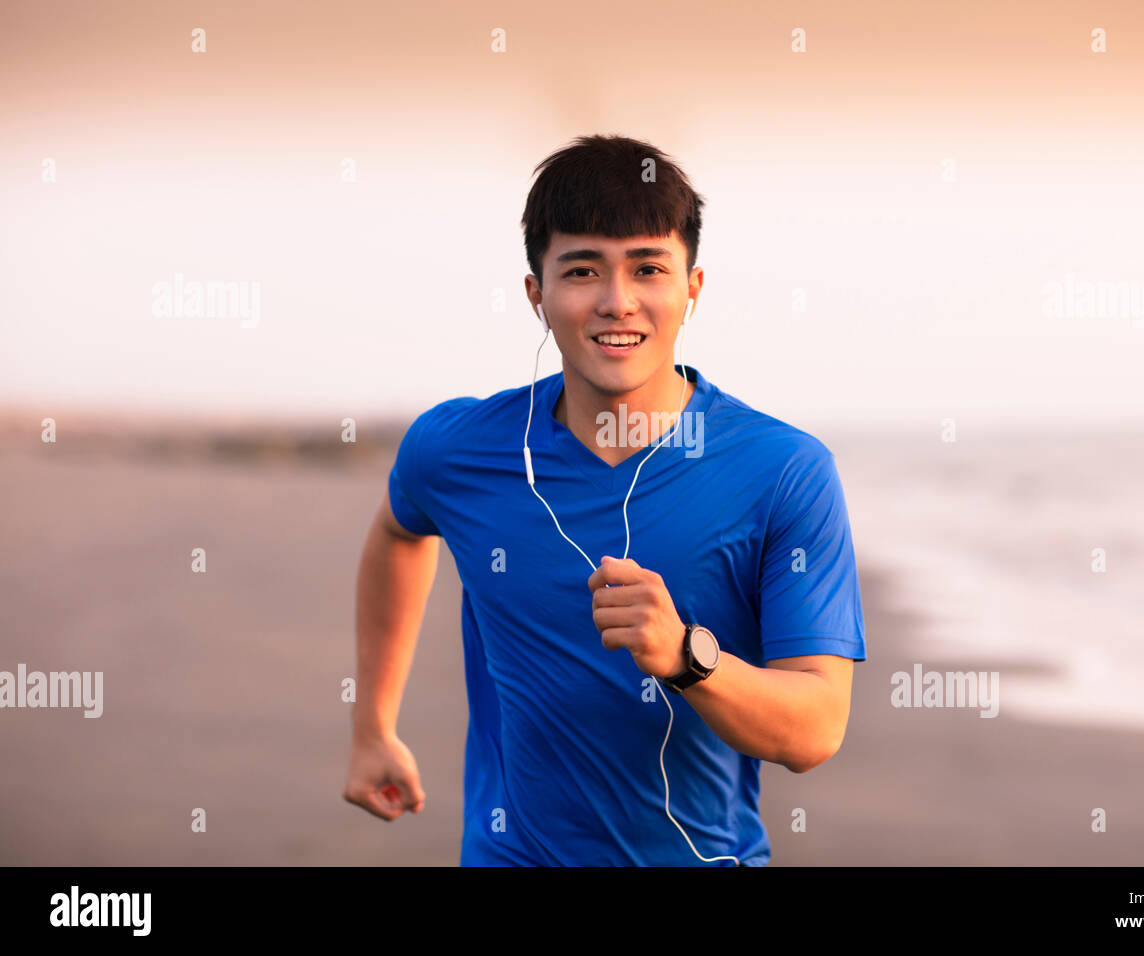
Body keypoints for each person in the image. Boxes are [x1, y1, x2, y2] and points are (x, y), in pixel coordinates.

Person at [344, 134, 867, 865]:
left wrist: (684, 655)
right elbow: (401, 532)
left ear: (693, 288)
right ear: (537, 294)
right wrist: (373, 726)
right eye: (583, 270)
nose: (617, 302)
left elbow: (815, 730)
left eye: (648, 268)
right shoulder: (457, 449)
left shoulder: (783, 471)